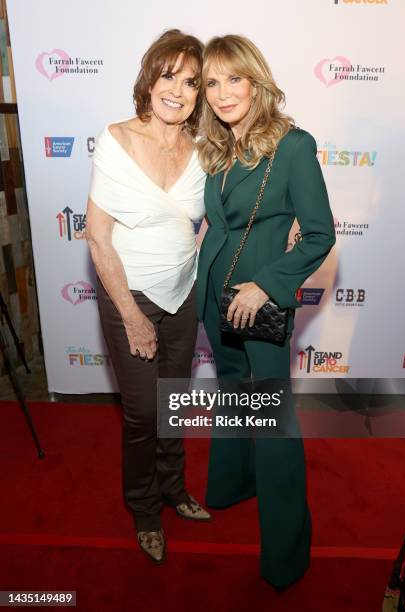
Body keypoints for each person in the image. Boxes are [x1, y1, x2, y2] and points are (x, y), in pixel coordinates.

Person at [196, 35, 336, 589]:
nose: (223, 92)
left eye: (234, 79)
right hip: (214, 295)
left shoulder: (292, 145)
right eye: (211, 83)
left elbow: (319, 235)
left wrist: (269, 286)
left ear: (255, 80)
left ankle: (286, 551)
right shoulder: (217, 150)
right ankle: (232, 484)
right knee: (232, 389)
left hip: (259, 303)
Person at [86, 29, 210, 566]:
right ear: (150, 78)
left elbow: (221, 215)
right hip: (128, 296)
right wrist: (132, 316)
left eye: (190, 82)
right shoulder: (117, 139)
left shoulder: (200, 150)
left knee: (173, 406)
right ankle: (143, 510)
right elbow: (96, 233)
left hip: (182, 296)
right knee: (141, 414)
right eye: (169, 76)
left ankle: (173, 489)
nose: (178, 91)